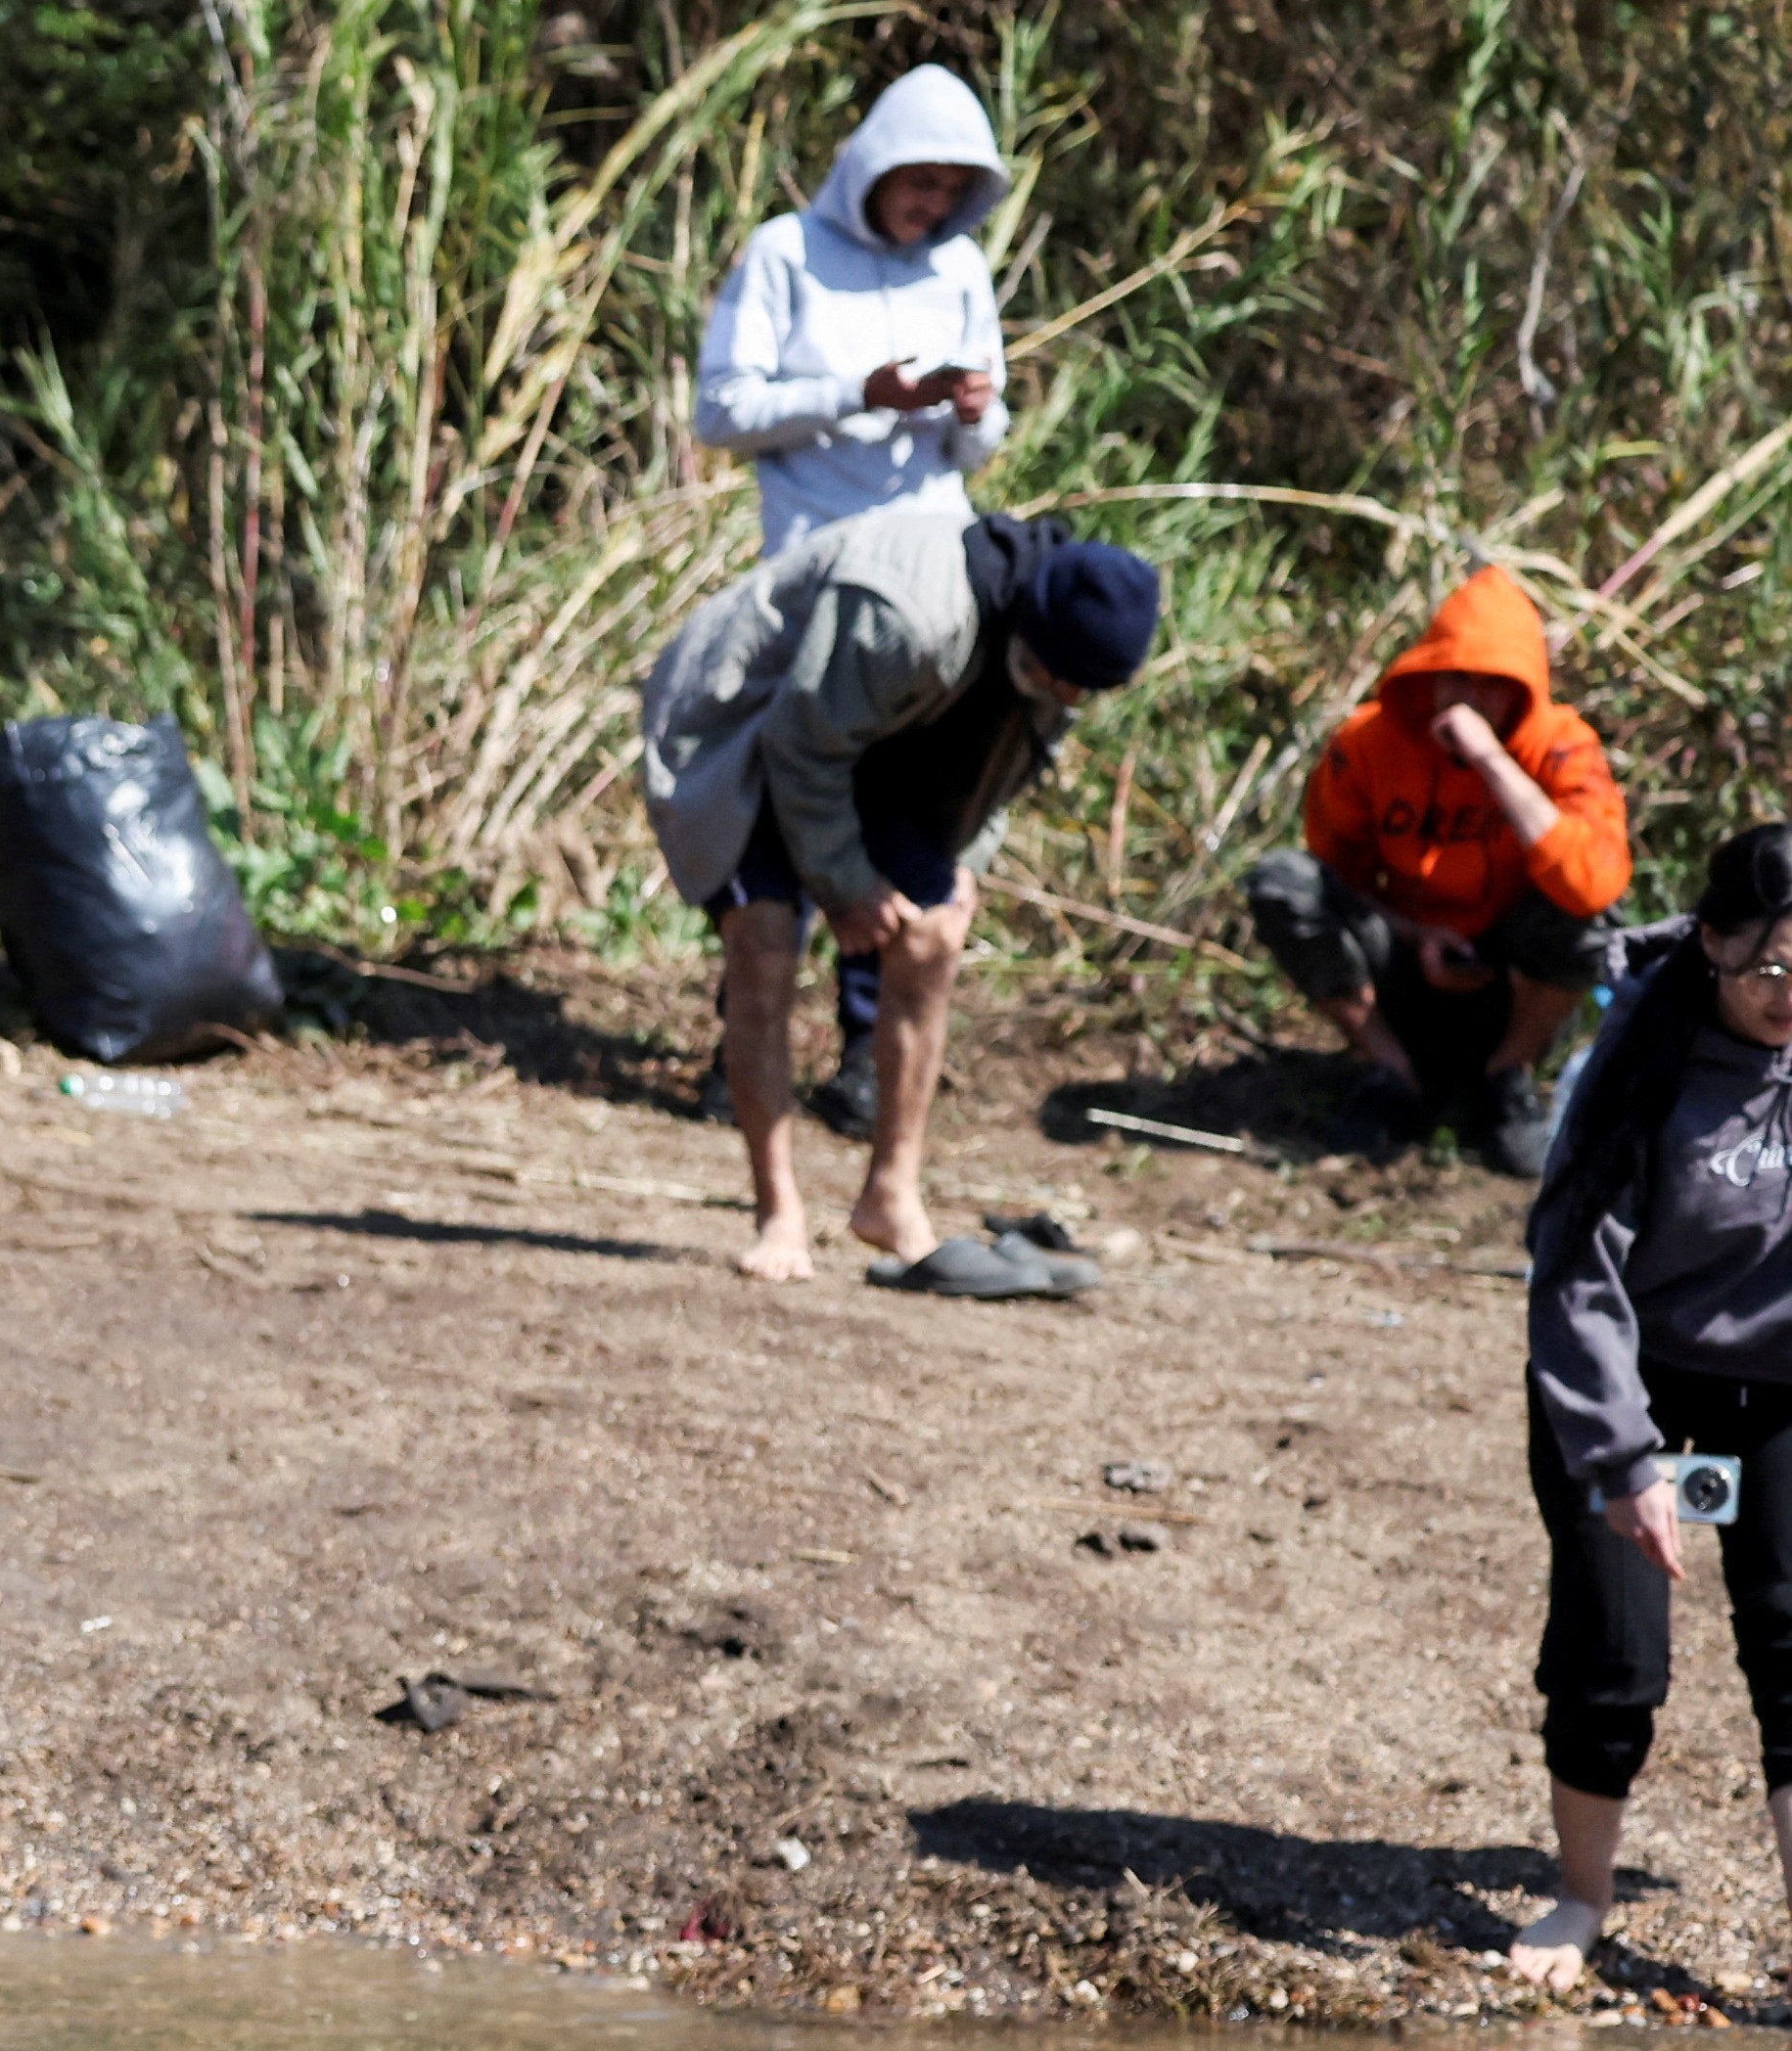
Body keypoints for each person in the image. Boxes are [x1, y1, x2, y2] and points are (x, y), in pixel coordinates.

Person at [638, 507, 1163, 1291]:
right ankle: (777, 1212)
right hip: (750, 727)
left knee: (934, 935)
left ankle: (890, 1193)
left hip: (871, 745)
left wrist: (958, 873)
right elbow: (800, 745)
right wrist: (849, 889)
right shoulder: (907, 613)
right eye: (1064, 683)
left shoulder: (1060, 651)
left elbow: (1003, 769)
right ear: (1038, 639)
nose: (1069, 698)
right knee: (765, 943)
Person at [690, 64, 1014, 1143]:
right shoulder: (788, 254)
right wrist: (855, 395)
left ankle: (871, 1048)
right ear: (868, 170)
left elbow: (980, 439)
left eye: (946, 188)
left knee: (906, 801)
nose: (927, 205)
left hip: (928, 578)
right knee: (785, 795)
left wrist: (970, 411)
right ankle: (753, 1033)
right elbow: (723, 409)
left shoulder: (961, 266)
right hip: (809, 574)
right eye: (912, 183)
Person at [1511, 829, 1792, 1986]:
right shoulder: (1637, 1062)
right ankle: (1581, 1901)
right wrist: (1625, 1462)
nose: (1791, 997)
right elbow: (1574, 1272)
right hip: (1625, 1385)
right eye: (1773, 968)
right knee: (1615, 1658)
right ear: (1717, 944)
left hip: (1772, 1390)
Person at [1247, 565, 1630, 1176]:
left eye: (1492, 684)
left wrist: (1490, 759)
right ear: (1427, 674)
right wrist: (1411, 931)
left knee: (1591, 915)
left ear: (1524, 690)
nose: (1469, 700)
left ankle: (1507, 1078)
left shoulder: (1561, 748)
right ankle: (1388, 1072)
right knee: (1283, 883)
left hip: (1509, 983)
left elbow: (1591, 885)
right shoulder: (1369, 744)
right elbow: (1332, 876)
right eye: (1455, 678)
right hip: (1405, 963)